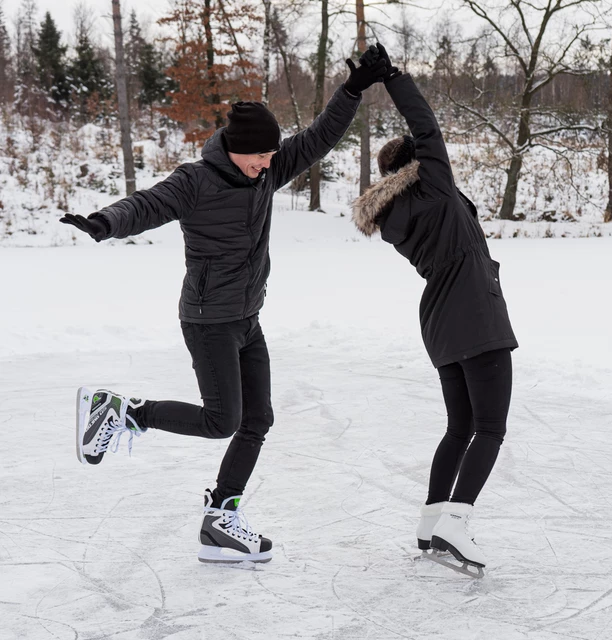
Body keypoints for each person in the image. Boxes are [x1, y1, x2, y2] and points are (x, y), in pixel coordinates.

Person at [61, 55, 388, 564]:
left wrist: (353, 88)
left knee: (258, 419)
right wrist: (106, 222)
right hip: (208, 320)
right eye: (259, 157)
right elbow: (146, 205)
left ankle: (221, 520)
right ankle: (123, 412)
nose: (267, 165)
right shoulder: (194, 182)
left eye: (271, 156)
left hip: (247, 318)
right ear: (236, 151)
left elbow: (321, 137)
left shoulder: (266, 170)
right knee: (222, 420)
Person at [352, 44, 518, 573]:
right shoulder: (435, 186)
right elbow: (426, 123)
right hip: (476, 316)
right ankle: (457, 522)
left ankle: (430, 522)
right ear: (417, 165)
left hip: (440, 323)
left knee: (459, 427)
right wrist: (393, 78)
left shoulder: (396, 213)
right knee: (489, 429)